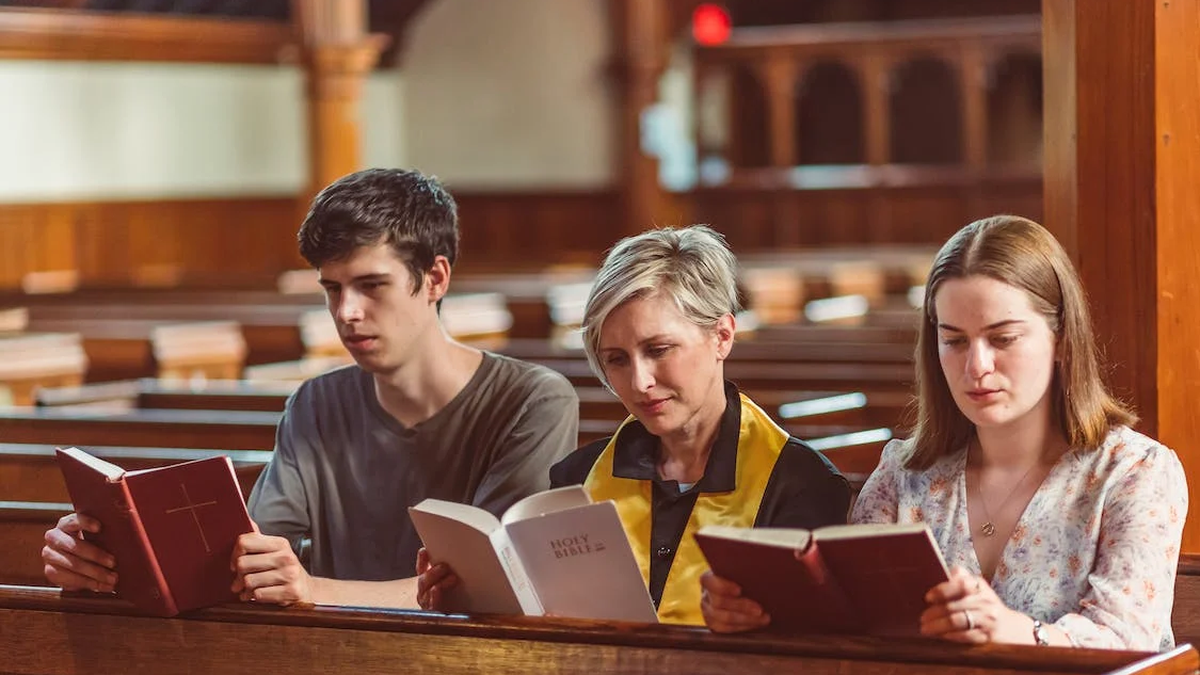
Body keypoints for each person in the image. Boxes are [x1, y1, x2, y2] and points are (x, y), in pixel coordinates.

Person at [41, 168, 581, 608]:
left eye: (371, 286)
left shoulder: (533, 400)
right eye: (333, 289)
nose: (346, 313)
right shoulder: (316, 402)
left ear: (435, 279)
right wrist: (105, 559)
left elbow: (496, 586)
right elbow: (245, 554)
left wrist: (314, 590)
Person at [700, 215, 1188, 651]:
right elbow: (850, 628)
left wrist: (1012, 631)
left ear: (1060, 340)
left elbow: (1128, 640)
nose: (977, 366)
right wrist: (761, 618)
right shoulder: (904, 473)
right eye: (954, 340)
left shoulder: (1134, 473)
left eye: (1003, 339)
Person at [510, 225, 847, 625]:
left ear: (722, 336)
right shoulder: (577, 479)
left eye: (658, 350)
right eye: (617, 359)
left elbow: (820, 645)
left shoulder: (801, 485)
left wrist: (761, 625)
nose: (639, 383)